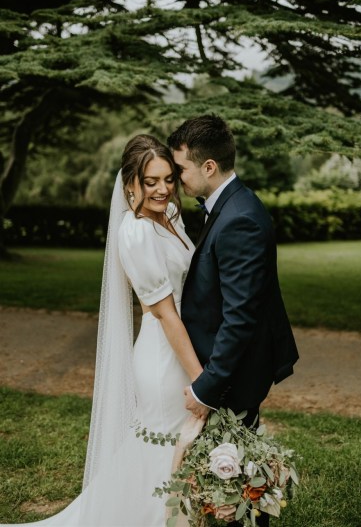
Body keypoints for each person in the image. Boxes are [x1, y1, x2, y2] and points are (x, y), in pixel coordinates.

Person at [2, 134, 201, 527]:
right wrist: (201, 379)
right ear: (131, 184)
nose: (162, 189)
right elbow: (165, 314)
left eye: (167, 179)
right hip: (163, 355)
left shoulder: (171, 217)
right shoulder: (136, 232)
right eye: (150, 181)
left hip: (181, 345)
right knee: (162, 446)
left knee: (177, 446)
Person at [168, 115, 299, 526]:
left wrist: (207, 388)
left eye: (182, 169)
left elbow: (239, 318)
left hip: (235, 373)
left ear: (209, 167)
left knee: (235, 483)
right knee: (227, 476)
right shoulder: (227, 205)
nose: (177, 179)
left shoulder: (239, 218)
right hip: (231, 368)